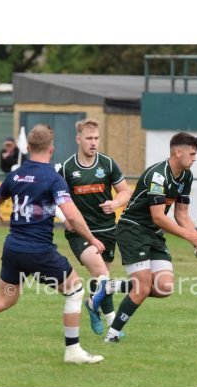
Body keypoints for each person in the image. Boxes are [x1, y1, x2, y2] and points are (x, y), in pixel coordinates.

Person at [0, 124, 106, 364]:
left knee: (5, 298)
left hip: (13, 249)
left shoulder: (16, 175)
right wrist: (92, 239)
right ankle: (73, 351)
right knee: (75, 291)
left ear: (29, 148)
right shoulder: (53, 178)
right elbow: (72, 216)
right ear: (51, 149)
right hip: (39, 252)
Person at [91, 132, 197, 343]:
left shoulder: (186, 176)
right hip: (132, 230)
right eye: (192, 154)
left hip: (153, 233)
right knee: (142, 287)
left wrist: (196, 236)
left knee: (164, 287)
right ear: (178, 152)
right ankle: (112, 335)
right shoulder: (158, 176)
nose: (195, 158)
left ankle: (109, 286)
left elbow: (181, 214)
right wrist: (190, 237)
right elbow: (158, 217)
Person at [56, 118, 133, 336]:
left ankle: (95, 307)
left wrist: (116, 203)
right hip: (80, 232)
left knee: (101, 278)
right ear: (78, 139)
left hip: (107, 230)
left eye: (96, 138)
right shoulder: (67, 168)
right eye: (89, 138)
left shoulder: (107, 164)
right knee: (101, 273)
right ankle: (111, 321)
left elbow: (125, 191)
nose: (93, 142)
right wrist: (64, 218)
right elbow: (52, 199)